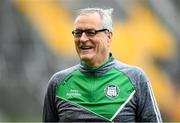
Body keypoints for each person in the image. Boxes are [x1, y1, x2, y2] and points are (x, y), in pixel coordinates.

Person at [43, 8, 162, 122]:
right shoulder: (58, 82)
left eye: (91, 32)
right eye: (78, 33)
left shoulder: (136, 79)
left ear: (108, 37)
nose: (83, 39)